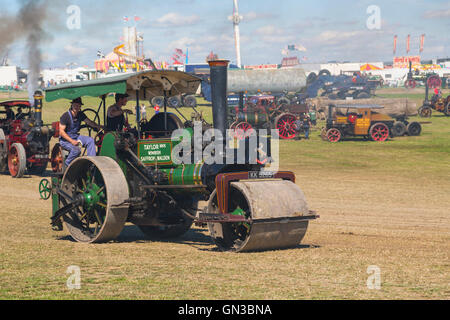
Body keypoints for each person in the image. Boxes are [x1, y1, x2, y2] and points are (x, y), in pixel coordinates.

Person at [59, 97, 102, 168]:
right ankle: (67, 164)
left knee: (90, 140)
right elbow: (61, 132)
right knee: (76, 150)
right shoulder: (65, 116)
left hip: (76, 137)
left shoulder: (80, 114)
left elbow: (89, 122)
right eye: (75, 105)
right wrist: (72, 141)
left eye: (79, 106)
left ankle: (91, 163)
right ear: (72, 105)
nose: (77, 107)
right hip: (65, 140)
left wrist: (99, 126)